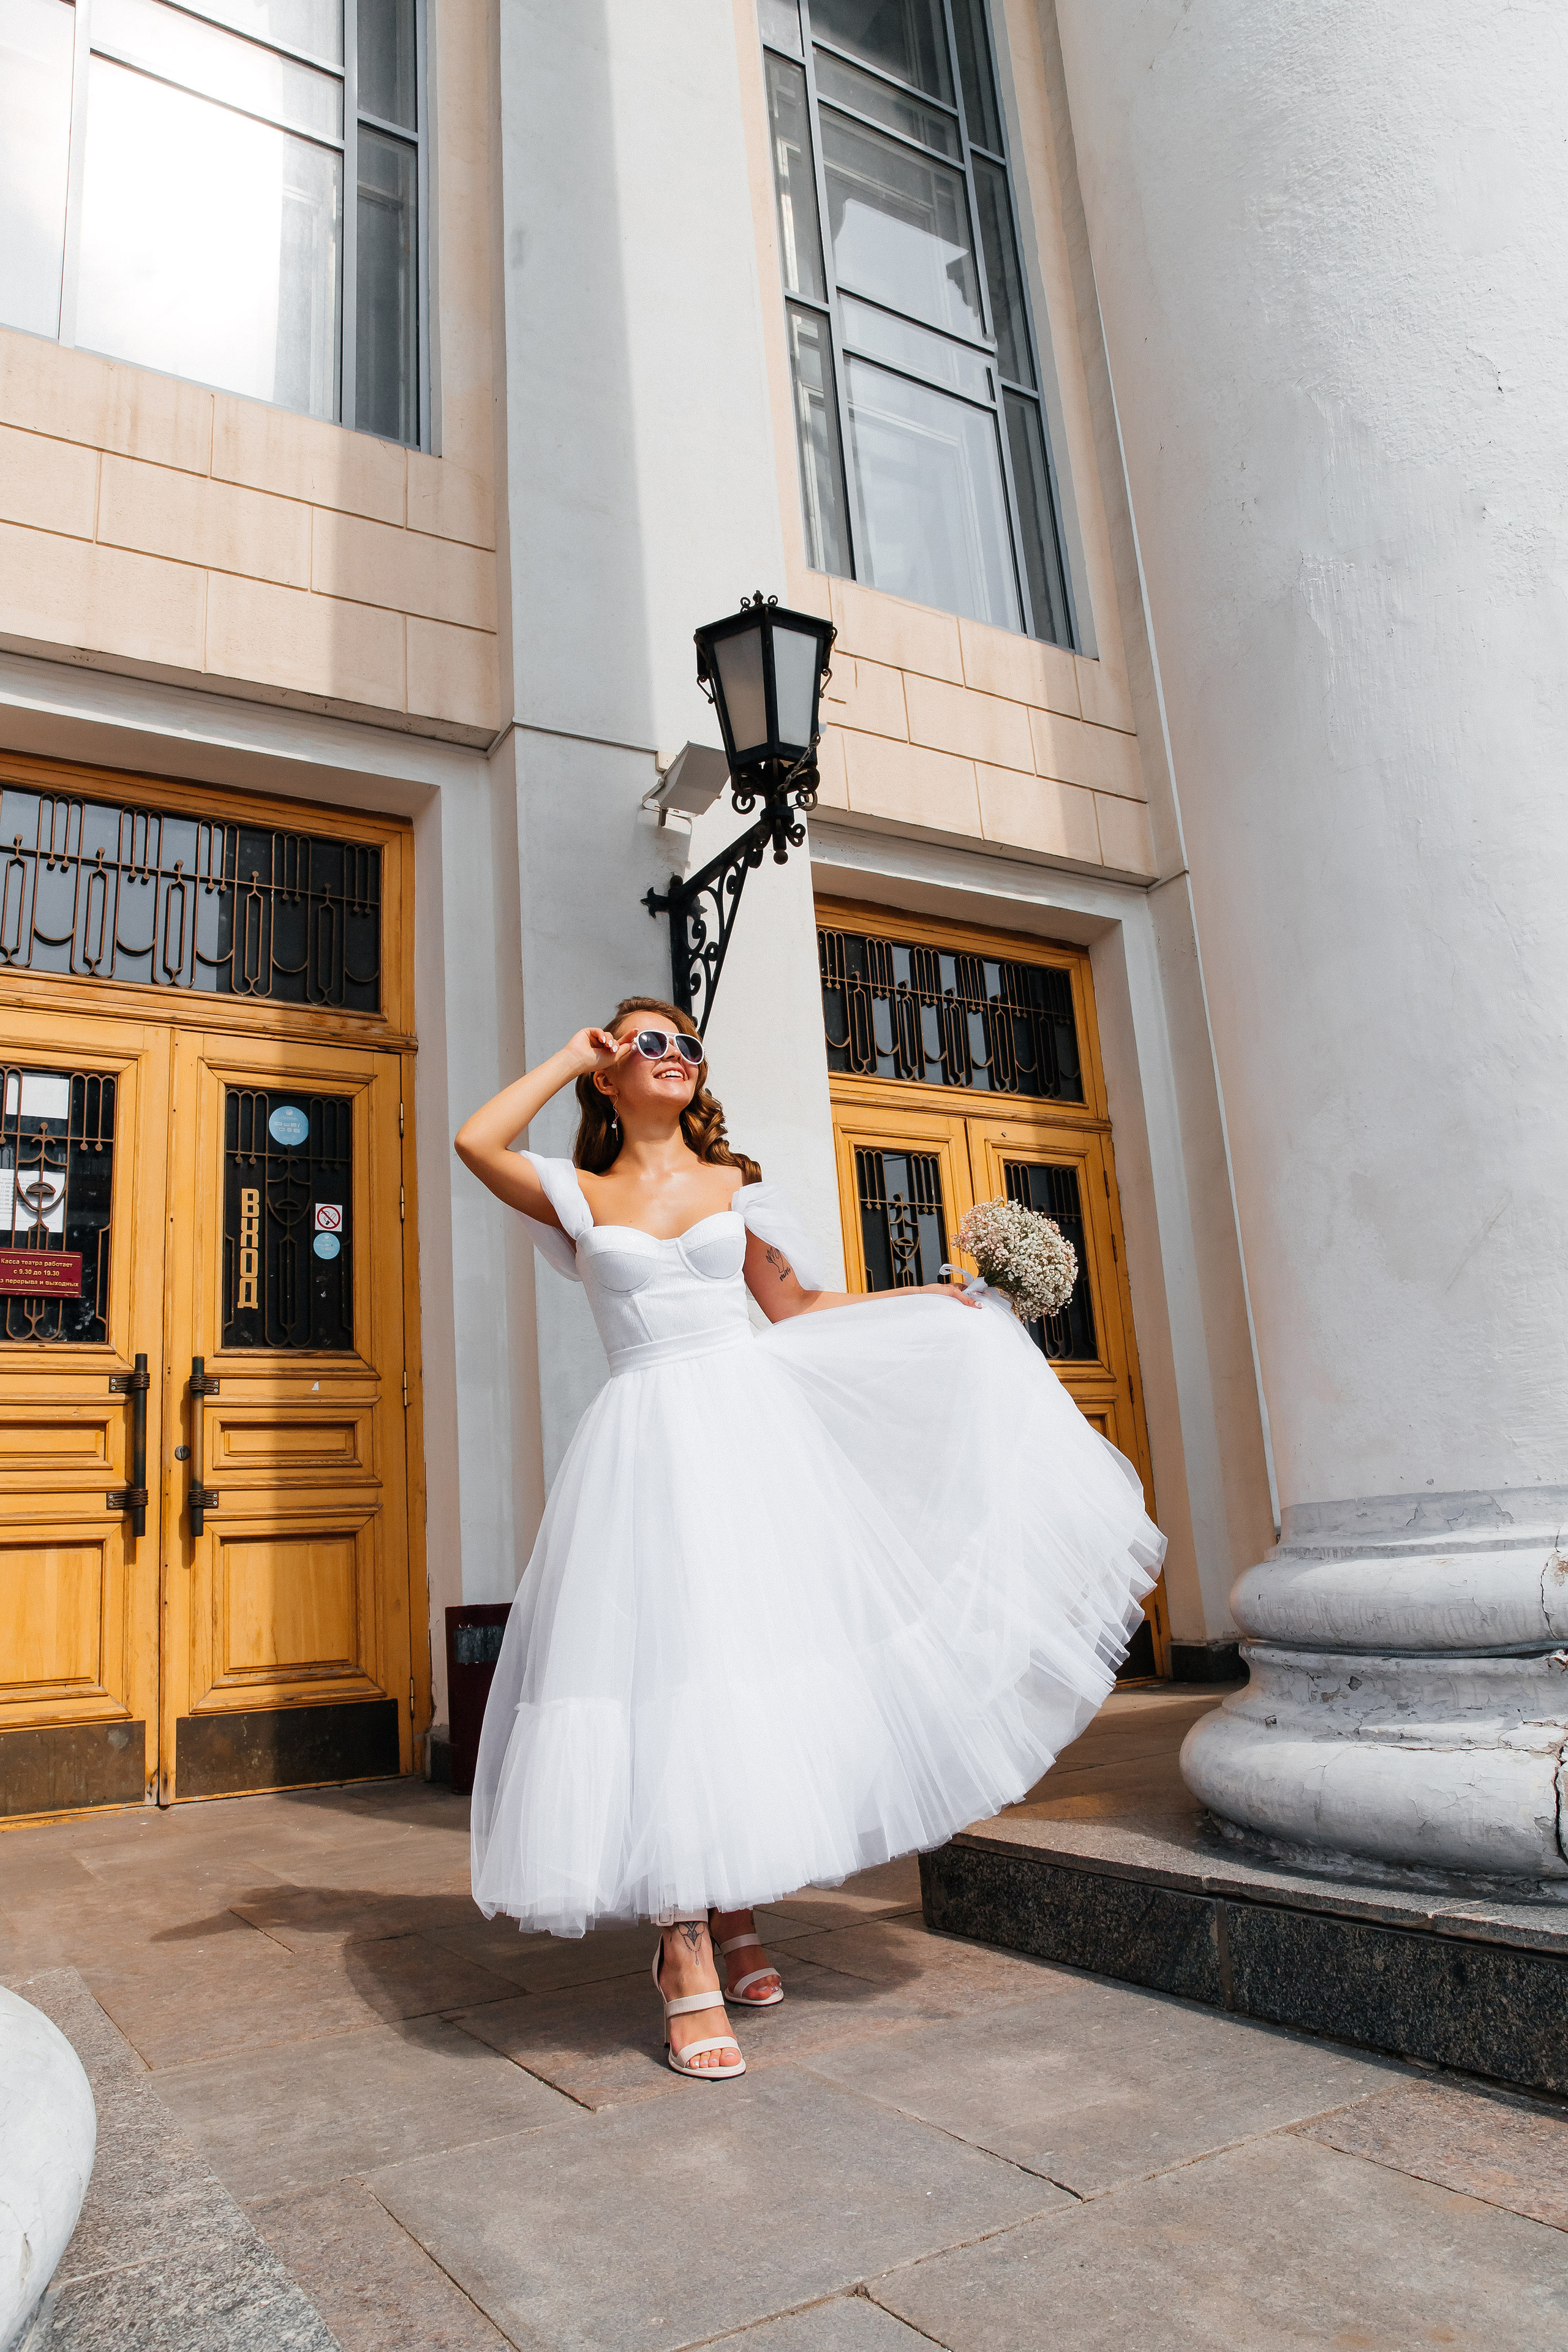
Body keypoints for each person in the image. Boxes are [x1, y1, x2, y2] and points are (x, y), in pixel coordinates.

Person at [454, 996, 1163, 2078]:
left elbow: (793, 1309)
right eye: (651, 1043)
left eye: (688, 1044)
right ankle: (683, 1939)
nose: (675, 1057)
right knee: (666, 1676)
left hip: (752, 1439)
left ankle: (733, 1910)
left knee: (750, 1667)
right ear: (610, 1070)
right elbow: (475, 1140)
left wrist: (932, 1300)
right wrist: (566, 1053)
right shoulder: (578, 1193)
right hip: (645, 1448)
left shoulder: (734, 1187)